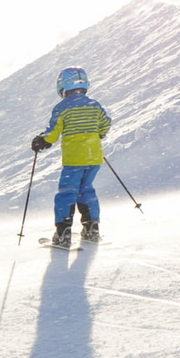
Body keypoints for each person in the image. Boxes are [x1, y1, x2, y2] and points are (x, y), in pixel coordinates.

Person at [31, 66, 112, 247]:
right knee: (87, 191)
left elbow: (53, 133)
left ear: (63, 86)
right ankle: (92, 229)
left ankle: (63, 233)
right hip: (94, 157)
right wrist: (98, 133)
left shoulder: (63, 107)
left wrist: (40, 141)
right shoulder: (94, 105)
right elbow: (105, 124)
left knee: (67, 193)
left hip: (74, 159)